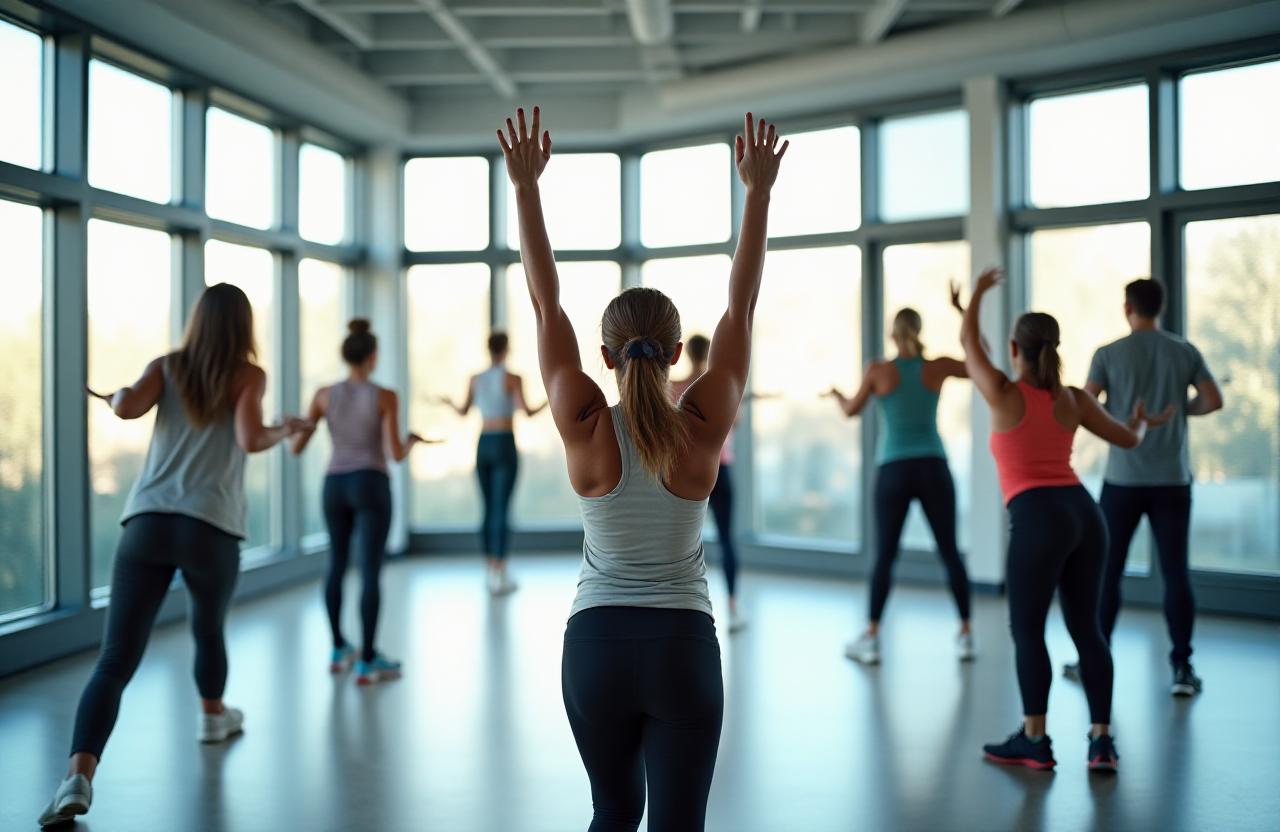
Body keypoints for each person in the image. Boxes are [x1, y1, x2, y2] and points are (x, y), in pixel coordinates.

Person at [499, 105, 786, 830]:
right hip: (682, 649)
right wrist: (756, 194)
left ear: (605, 358)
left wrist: (526, 190)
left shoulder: (583, 420)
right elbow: (741, 307)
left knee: (613, 813)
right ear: (677, 357)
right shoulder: (703, 422)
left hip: (593, 647)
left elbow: (544, 301)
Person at [39, 284, 310, 827]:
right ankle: (213, 716)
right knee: (208, 630)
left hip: (147, 523)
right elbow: (251, 438)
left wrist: (117, 396)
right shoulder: (248, 375)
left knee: (115, 660)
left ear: (198, 320)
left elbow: (126, 408)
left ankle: (78, 778)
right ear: (243, 326)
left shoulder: (166, 365)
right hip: (210, 526)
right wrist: (287, 429)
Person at [959, 268, 1169, 774]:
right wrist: (1141, 419)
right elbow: (1130, 440)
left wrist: (979, 293)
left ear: (1015, 348)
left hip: (1038, 517)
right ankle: (1101, 743)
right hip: (1083, 514)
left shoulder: (1004, 393)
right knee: (1088, 631)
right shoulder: (1072, 398)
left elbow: (968, 342)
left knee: (1028, 630)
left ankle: (1035, 740)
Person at [1064, 278, 1222, 697]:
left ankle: (1092, 660)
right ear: (1161, 306)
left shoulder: (1109, 354)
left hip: (1123, 480)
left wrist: (1121, 421)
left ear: (1127, 307)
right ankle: (1183, 669)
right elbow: (1213, 399)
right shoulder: (1184, 351)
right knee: (1175, 572)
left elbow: (1084, 403)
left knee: (1107, 570)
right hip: (1172, 478)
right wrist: (1180, 413)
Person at [827, 297, 974, 665]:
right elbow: (978, 364)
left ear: (893, 334)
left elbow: (850, 411)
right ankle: (967, 633)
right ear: (919, 332)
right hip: (933, 466)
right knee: (950, 551)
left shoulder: (878, 370)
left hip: (893, 469)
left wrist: (836, 396)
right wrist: (963, 313)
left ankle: (872, 636)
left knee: (885, 556)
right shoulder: (937, 366)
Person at [292, 319, 436, 686]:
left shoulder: (323, 395)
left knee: (336, 563)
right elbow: (395, 454)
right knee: (370, 570)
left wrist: (288, 428)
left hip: (334, 484)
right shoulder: (385, 396)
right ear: (373, 356)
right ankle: (368, 659)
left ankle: (339, 647)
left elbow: (296, 447)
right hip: (371, 483)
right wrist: (412, 440)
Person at [437, 332, 546, 595]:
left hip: (483, 442)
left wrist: (449, 403)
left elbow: (463, 412)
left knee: (487, 508)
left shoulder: (476, 379)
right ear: (506, 349)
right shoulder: (512, 378)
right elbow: (527, 412)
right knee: (501, 508)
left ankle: (490, 568)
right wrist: (549, 400)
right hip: (504, 442)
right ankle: (500, 571)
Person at [669, 334, 750, 633]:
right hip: (721, 468)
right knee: (727, 538)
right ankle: (732, 606)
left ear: (685, 353)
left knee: (681, 540)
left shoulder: (675, 387)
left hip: (687, 472)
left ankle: (680, 605)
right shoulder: (721, 386)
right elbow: (736, 422)